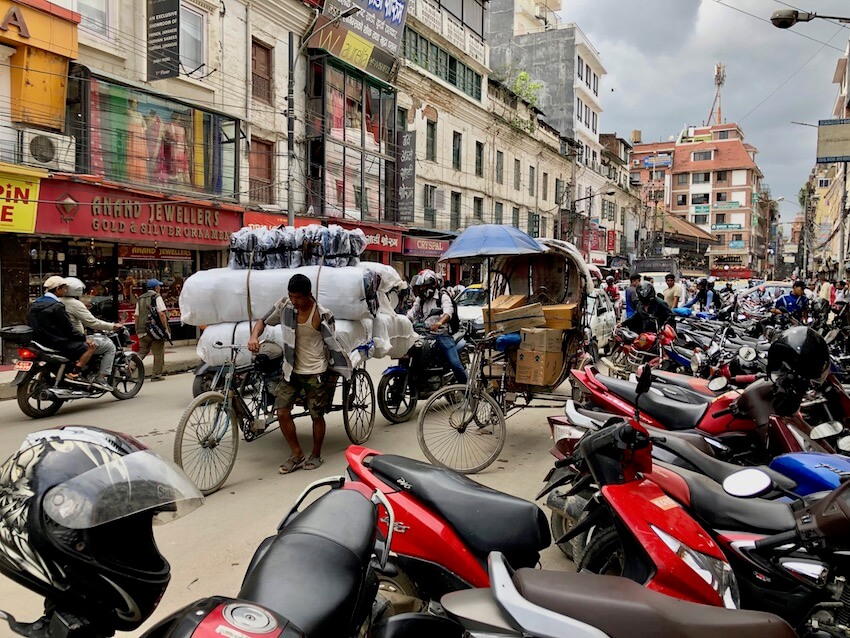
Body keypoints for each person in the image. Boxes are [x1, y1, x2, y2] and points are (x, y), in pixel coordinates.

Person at [248, 273, 351, 474]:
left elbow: (333, 344)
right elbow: (263, 320)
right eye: (291, 296)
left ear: (309, 295)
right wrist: (253, 336)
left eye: (299, 298)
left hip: (315, 371)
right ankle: (296, 453)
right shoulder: (285, 306)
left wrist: (337, 368)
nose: (294, 301)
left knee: (316, 415)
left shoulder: (322, 314)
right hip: (290, 369)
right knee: (282, 412)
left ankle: (315, 453)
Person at [61, 277, 124, 391]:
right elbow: (92, 322)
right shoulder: (75, 304)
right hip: (76, 339)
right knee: (109, 346)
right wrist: (112, 326)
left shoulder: (58, 301)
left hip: (63, 338)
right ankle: (101, 379)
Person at [27, 276, 95, 380]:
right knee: (90, 348)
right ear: (58, 289)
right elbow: (68, 328)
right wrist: (84, 338)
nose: (66, 291)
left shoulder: (36, 303)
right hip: (57, 343)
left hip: (40, 342)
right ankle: (74, 373)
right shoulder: (57, 306)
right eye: (64, 288)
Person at [407, 269, 467, 384]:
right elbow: (412, 312)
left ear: (431, 285)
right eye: (420, 287)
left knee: (455, 365)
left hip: (443, 336)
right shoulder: (420, 300)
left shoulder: (442, 296)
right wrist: (403, 320)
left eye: (423, 287)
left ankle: (469, 392)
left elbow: (448, 312)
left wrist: (439, 323)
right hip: (425, 335)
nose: (421, 290)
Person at [135, 278, 170, 382]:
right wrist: (165, 329)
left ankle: (129, 368)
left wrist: (137, 329)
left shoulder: (140, 298)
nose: (159, 288)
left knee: (142, 351)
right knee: (158, 353)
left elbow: (136, 316)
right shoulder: (156, 297)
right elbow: (162, 314)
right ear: (156, 288)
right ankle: (156, 375)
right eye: (158, 286)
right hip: (155, 330)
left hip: (142, 331)